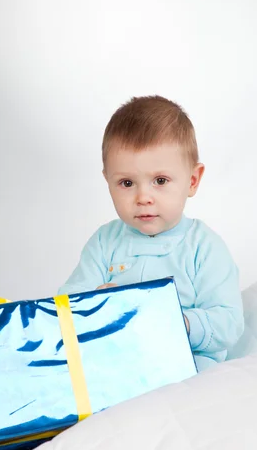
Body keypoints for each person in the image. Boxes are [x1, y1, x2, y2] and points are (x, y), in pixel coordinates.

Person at [58, 95, 244, 369]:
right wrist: (95, 301)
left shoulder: (203, 246)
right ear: (107, 181)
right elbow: (66, 305)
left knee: (199, 386)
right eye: (126, 182)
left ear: (192, 181)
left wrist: (182, 322)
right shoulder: (104, 242)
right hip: (118, 361)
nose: (143, 197)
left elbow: (229, 322)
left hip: (186, 364)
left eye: (160, 181)